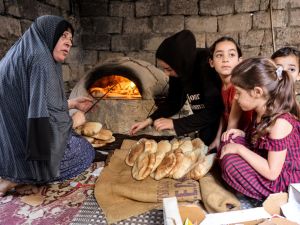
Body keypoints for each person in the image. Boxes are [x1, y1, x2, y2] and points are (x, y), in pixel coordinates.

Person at [0, 15, 95, 196]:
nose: (68, 43)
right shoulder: (41, 60)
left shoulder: (24, 49)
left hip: (7, 145)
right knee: (84, 150)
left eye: (71, 40)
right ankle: (17, 177)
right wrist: (74, 121)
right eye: (63, 36)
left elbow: (35, 102)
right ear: (49, 34)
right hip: (22, 142)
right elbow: (43, 122)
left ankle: (16, 175)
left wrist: (72, 103)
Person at [219, 57, 300, 200]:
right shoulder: (261, 112)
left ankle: (269, 198)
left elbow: (272, 172)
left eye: (238, 92)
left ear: (257, 92)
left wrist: (239, 149)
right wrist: (242, 135)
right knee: (230, 139)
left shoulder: (280, 123)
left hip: (282, 181)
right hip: (266, 161)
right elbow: (260, 142)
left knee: (230, 162)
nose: (235, 97)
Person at [129, 30, 223, 145]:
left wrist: (175, 124)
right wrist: (149, 120)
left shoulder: (206, 65)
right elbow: (173, 101)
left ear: (181, 64)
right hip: (204, 120)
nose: (166, 74)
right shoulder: (179, 68)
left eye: (168, 69)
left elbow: (213, 111)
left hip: (223, 122)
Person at [208, 36, 252, 151]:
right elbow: (224, 114)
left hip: (247, 137)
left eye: (231, 55)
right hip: (231, 132)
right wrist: (217, 139)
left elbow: (233, 123)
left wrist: (224, 144)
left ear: (240, 61)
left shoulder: (240, 87)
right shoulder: (221, 86)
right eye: (219, 55)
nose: (225, 60)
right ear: (211, 62)